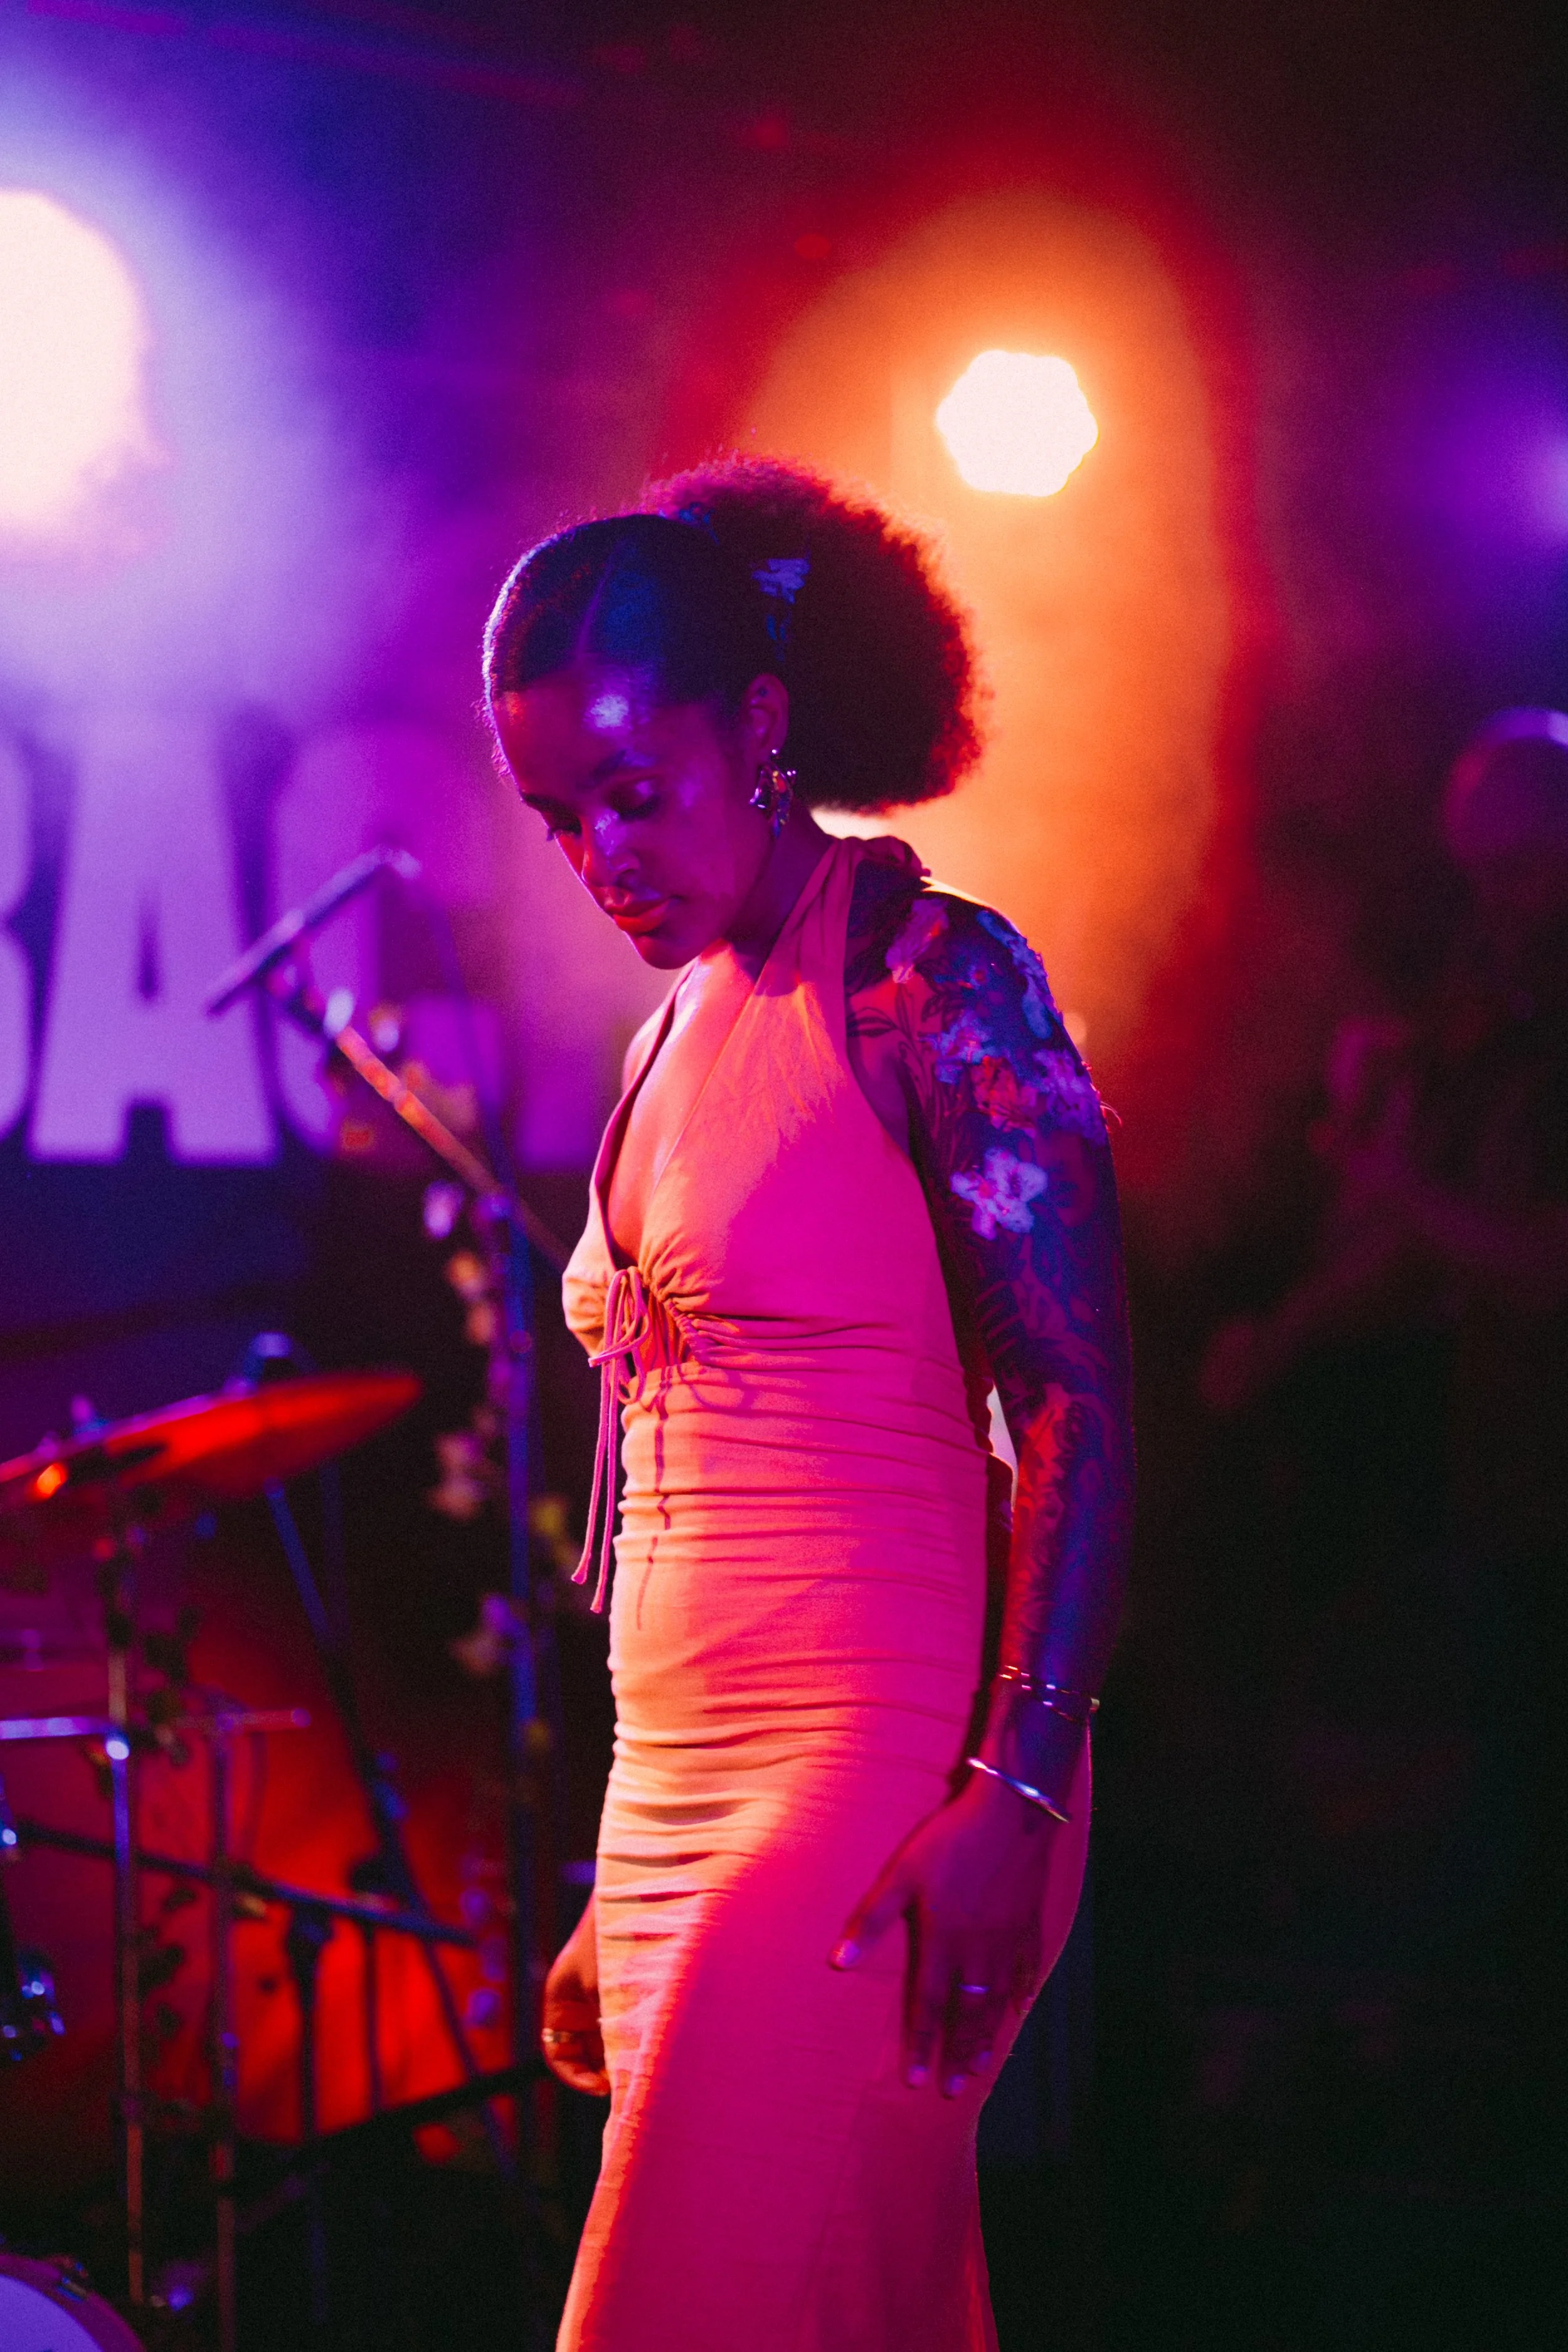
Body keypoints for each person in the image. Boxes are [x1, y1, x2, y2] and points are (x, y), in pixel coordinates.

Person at [483, 458, 1133, 2351]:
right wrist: (619, 1880)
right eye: (558, 819)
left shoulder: (927, 980)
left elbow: (1075, 1402)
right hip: (674, 1783)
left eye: (635, 792)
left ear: (758, 728)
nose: (604, 853)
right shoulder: (667, 1026)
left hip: (877, 1764)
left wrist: (1013, 1785)